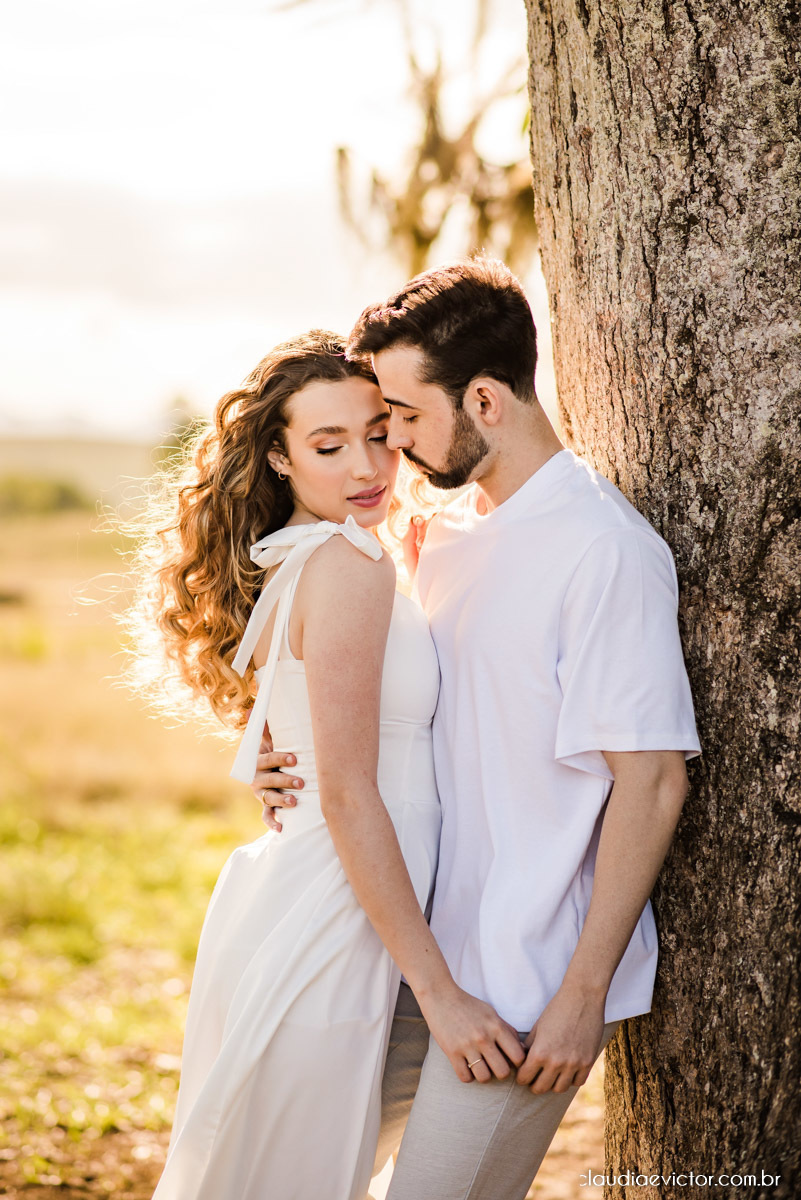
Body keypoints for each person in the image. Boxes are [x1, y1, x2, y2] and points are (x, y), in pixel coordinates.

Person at [254, 261, 702, 1200]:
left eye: (404, 417)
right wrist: (282, 757)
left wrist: (581, 996)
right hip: (411, 955)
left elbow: (653, 780)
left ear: (485, 400)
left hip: (524, 983)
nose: (393, 445)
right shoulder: (443, 533)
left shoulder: (603, 549)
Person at [132, 331, 525, 1200]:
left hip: (330, 896)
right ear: (278, 457)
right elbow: (347, 794)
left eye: (380, 433)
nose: (366, 466)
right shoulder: (347, 564)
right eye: (328, 445)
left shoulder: (317, 553)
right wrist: (441, 993)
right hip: (336, 914)